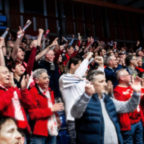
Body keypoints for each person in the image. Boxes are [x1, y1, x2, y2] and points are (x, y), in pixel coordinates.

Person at [71, 70, 141, 144]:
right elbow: (75, 113)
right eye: (101, 82)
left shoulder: (108, 100)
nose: (105, 84)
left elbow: (128, 107)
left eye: (105, 81)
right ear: (91, 84)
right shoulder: (84, 99)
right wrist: (86, 95)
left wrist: (136, 93)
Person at [21, 68, 64, 144]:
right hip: (39, 131)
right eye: (44, 78)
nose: (48, 80)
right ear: (37, 80)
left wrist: (56, 116)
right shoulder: (32, 92)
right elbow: (33, 114)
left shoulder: (50, 91)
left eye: (48, 77)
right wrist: (51, 110)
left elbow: (53, 108)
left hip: (52, 128)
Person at [59, 52, 93, 144]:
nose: (84, 68)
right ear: (72, 65)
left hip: (85, 117)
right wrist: (87, 59)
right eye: (80, 65)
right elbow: (78, 75)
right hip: (72, 119)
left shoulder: (82, 80)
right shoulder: (64, 78)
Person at [114, 69, 144, 144]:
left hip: (138, 120)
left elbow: (140, 100)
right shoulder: (117, 91)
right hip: (129, 124)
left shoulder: (131, 87)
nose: (130, 76)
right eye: (128, 75)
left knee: (140, 141)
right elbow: (122, 109)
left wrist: (140, 86)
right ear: (122, 78)